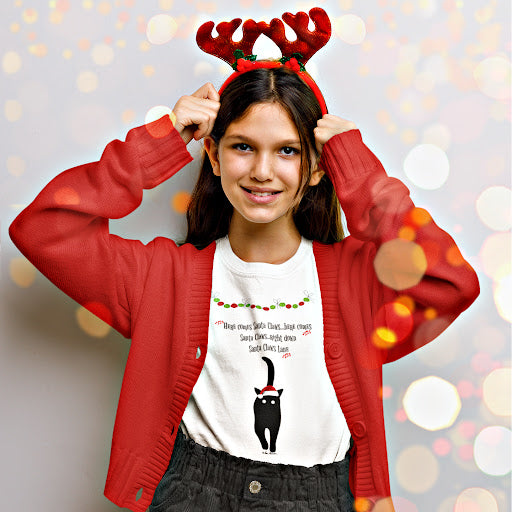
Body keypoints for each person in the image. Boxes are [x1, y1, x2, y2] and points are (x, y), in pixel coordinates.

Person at [9, 8, 479, 512]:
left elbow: (450, 280)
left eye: (288, 152)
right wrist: (162, 140)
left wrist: (358, 174)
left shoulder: (357, 278)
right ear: (212, 156)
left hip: (326, 497)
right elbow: (43, 227)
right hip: (194, 493)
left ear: (318, 167)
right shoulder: (161, 277)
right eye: (242, 147)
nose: (261, 171)